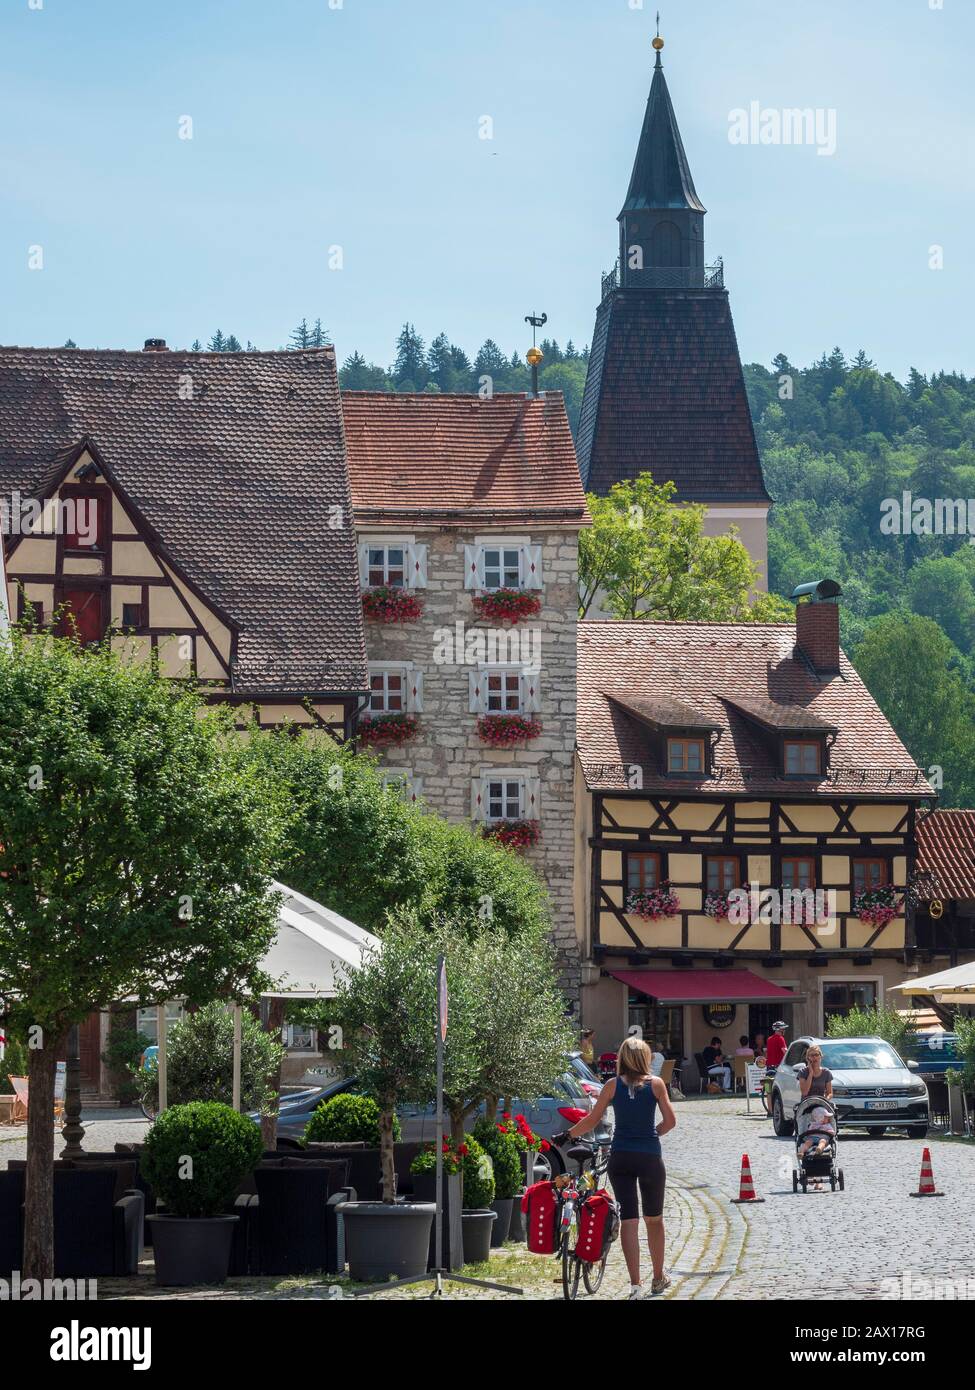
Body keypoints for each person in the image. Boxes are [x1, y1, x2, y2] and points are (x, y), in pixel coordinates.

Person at [565, 1036, 676, 1299]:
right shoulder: (657, 1085)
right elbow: (670, 1121)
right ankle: (658, 1278)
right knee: (654, 1219)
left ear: (622, 1059)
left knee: (629, 1219)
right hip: (649, 1157)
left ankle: (635, 1284)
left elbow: (592, 1120)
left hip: (621, 1157)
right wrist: (651, 1134)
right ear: (646, 1058)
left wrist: (568, 1134)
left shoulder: (611, 1086)